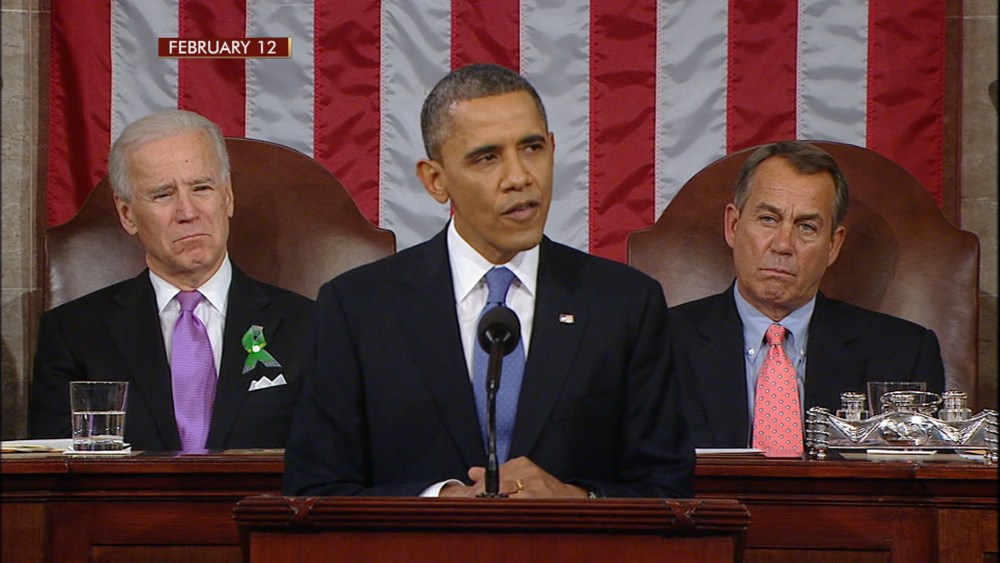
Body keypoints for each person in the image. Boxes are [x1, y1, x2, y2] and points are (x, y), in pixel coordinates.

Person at [283, 63, 694, 498]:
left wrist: (577, 500)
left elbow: (668, 488)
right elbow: (314, 490)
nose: (519, 177)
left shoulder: (625, 304)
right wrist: (438, 502)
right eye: (487, 158)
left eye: (532, 148)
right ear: (435, 180)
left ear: (553, 149)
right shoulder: (358, 308)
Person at [29, 110, 314, 451]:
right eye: (163, 194)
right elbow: (53, 469)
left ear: (227, 197)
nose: (188, 212)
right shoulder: (72, 335)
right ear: (127, 214)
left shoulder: (311, 327)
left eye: (202, 188)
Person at [669, 141, 945, 451]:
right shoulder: (661, 342)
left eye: (806, 227)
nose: (783, 245)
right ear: (733, 226)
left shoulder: (904, 353)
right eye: (768, 219)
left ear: (833, 245)